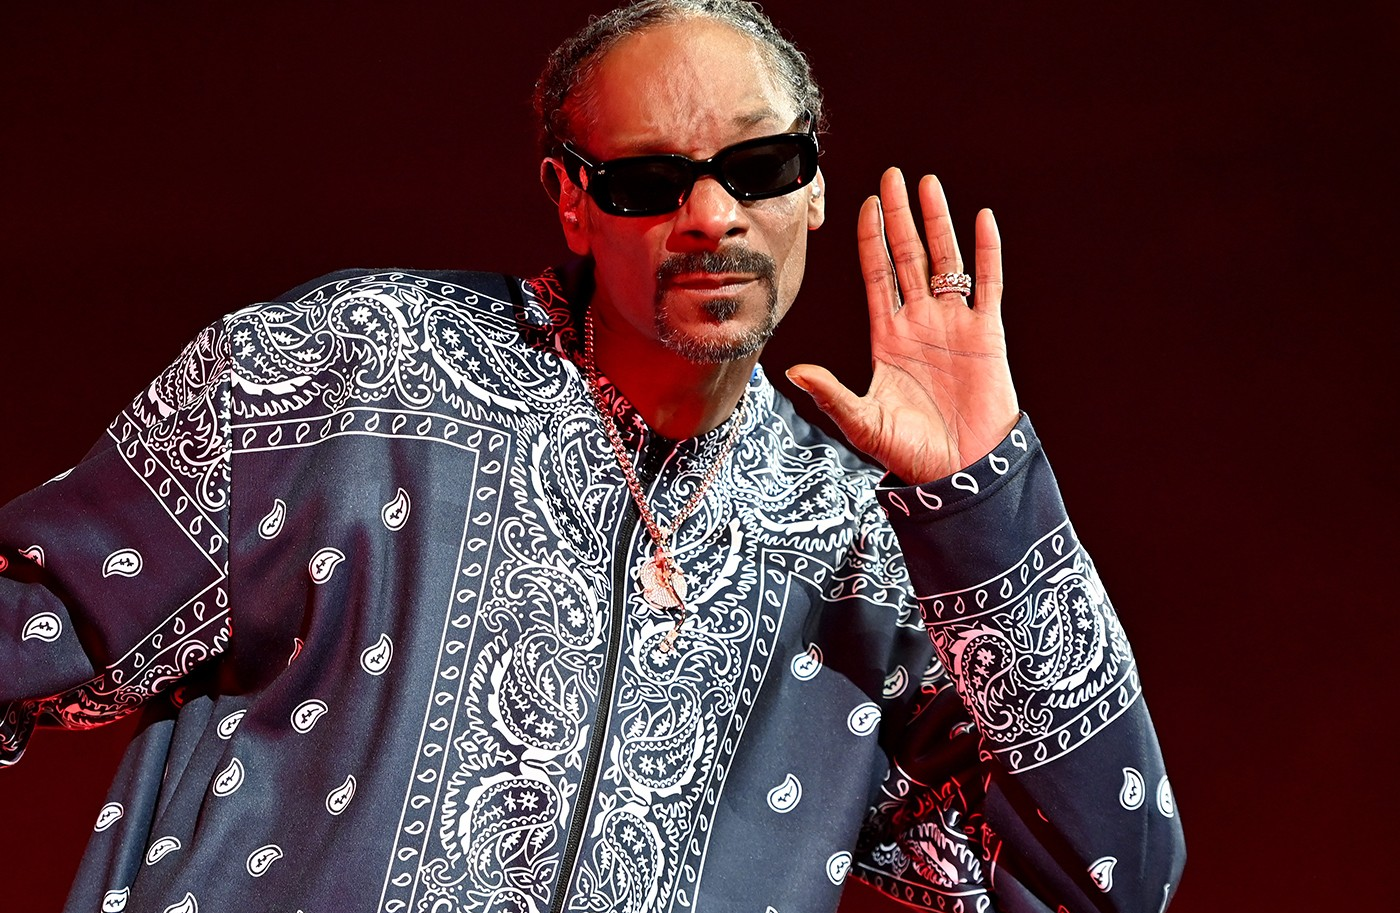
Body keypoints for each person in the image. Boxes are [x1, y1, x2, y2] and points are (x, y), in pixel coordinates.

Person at [0, 1, 1185, 911]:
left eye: (759, 168)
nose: (711, 215)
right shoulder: (349, 368)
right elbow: (25, 620)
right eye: (649, 182)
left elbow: (1103, 880)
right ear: (570, 200)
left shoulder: (850, 547)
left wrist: (984, 503)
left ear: (814, 188)